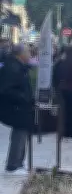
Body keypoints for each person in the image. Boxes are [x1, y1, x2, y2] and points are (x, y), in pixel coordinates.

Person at [0, 44, 33, 172]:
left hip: (20, 106)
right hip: (15, 107)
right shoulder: (12, 67)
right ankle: (13, 164)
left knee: (22, 131)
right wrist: (24, 97)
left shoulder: (17, 66)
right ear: (20, 54)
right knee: (19, 132)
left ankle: (19, 162)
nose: (30, 54)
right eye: (28, 52)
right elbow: (6, 89)